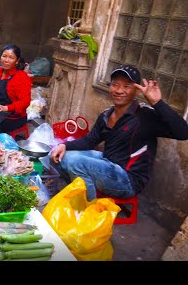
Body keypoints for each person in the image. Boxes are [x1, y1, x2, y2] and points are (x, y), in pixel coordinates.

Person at [50, 65, 188, 201]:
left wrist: (157, 103)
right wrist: (64, 146)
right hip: (107, 163)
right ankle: (83, 194)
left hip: (128, 179)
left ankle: (88, 212)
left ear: (137, 91)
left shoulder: (145, 116)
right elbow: (89, 140)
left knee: (76, 162)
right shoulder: (106, 115)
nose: (119, 90)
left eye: (127, 86)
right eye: (115, 85)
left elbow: (183, 132)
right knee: (57, 155)